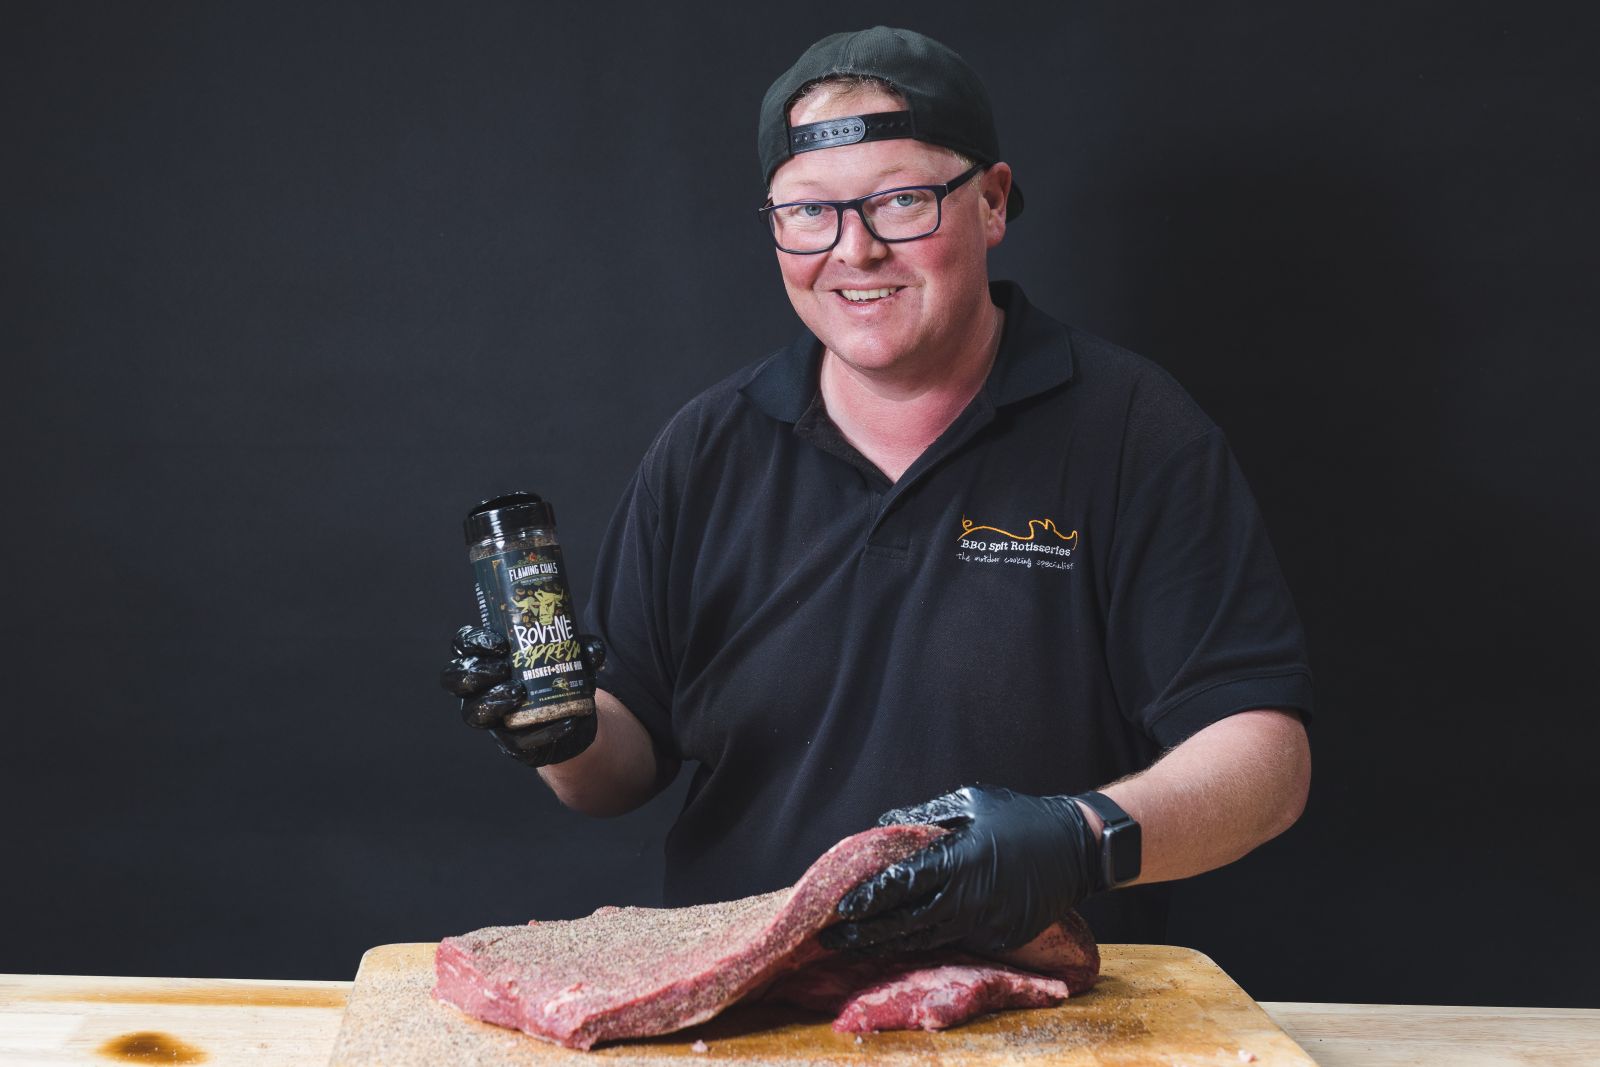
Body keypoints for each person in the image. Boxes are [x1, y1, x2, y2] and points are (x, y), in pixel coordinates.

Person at [442, 26, 1313, 951]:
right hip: (744, 1006)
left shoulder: (1134, 431)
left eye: (902, 201)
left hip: (1048, 1007)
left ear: (991, 202)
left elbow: (1267, 760)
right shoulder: (707, 448)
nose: (854, 251)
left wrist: (1076, 836)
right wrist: (558, 729)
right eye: (810, 212)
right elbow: (622, 767)